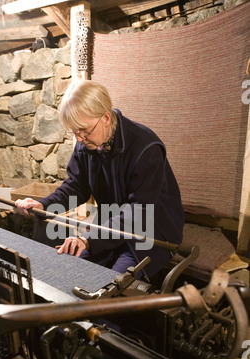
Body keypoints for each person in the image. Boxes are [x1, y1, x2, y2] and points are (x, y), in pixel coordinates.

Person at [15, 79, 185, 282]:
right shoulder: (86, 145)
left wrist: (88, 238)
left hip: (150, 231)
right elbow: (76, 185)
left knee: (110, 287)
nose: (79, 138)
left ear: (106, 117)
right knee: (72, 271)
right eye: (75, 131)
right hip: (111, 226)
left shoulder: (146, 148)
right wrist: (43, 204)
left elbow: (138, 212)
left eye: (85, 131)